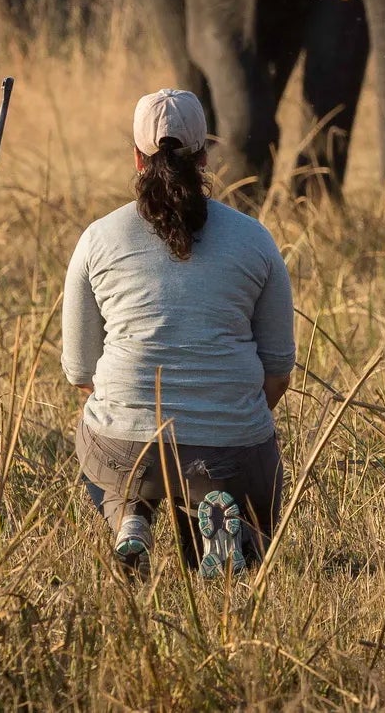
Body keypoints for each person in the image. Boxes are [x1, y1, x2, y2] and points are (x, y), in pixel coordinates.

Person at [61, 89, 295, 578]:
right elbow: (278, 369)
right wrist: (218, 424)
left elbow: (81, 372)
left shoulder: (97, 238)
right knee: (221, 482)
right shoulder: (255, 239)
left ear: (136, 158)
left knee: (112, 441)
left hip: (125, 443)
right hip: (232, 443)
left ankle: (129, 519)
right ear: (206, 155)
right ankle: (229, 523)